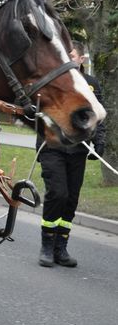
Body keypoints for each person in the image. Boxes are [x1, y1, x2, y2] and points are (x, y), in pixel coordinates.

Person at [36, 40, 106, 268]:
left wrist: (99, 143)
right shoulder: (52, 80)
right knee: (58, 193)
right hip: (52, 149)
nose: (68, 59)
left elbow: (97, 116)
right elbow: (35, 110)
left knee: (71, 200)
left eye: (72, 56)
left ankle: (60, 247)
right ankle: (46, 246)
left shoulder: (90, 84)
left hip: (77, 151)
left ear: (81, 59)